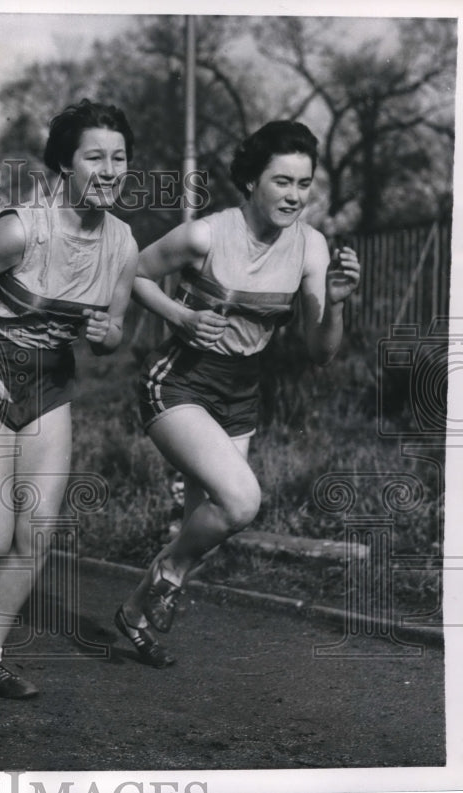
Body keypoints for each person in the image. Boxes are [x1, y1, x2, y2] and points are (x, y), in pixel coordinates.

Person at [112, 120, 361, 668]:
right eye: (281, 182)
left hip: (241, 394)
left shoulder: (311, 247)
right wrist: (180, 314)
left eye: (304, 184)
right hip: (179, 382)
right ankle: (169, 576)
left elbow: (321, 352)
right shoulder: (204, 235)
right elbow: (130, 272)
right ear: (251, 181)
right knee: (242, 501)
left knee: (208, 526)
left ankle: (133, 615)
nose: (295, 196)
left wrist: (336, 303)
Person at [0, 99, 139, 698]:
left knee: (37, 532)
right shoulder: (22, 228)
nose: (108, 170)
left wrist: (107, 335)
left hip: (50, 383)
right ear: (64, 166)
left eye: (118, 158)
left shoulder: (123, 244)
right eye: (94, 156)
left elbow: (116, 332)